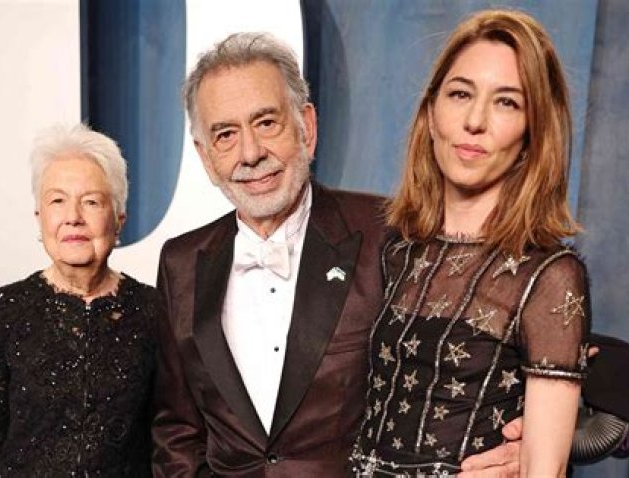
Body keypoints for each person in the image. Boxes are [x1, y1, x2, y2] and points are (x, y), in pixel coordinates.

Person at [152, 31, 523, 477]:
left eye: (266, 123)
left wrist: (533, 440)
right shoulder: (180, 262)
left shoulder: (390, 232)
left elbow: (506, 339)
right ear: (206, 156)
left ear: (306, 128)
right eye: (226, 134)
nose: (250, 153)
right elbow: (177, 427)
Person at [350, 9, 589, 476]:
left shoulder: (549, 276)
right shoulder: (395, 250)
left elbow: (545, 469)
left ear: (533, 133)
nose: (475, 121)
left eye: (507, 103)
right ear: (431, 113)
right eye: (460, 94)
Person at [0, 124, 161, 476]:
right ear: (39, 218)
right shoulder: (7, 309)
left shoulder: (154, 311)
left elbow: (170, 439)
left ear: (119, 219)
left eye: (91, 202)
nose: (73, 217)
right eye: (57, 200)